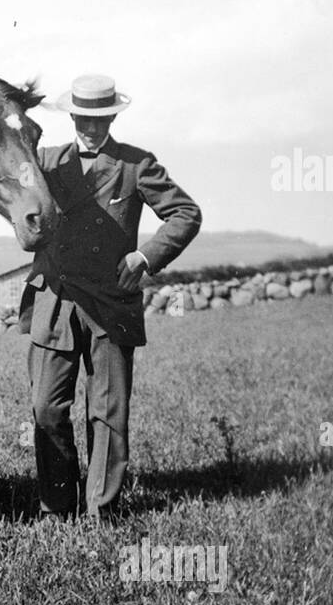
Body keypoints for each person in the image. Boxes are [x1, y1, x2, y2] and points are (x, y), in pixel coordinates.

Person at [19, 74, 201, 523]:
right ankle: (57, 508)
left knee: (108, 412)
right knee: (45, 408)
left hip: (111, 301)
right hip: (56, 299)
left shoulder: (137, 164)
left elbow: (186, 213)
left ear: (113, 117)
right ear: (73, 116)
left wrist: (145, 257)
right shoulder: (45, 162)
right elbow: (1, 178)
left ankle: (102, 511)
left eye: (101, 119)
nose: (91, 128)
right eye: (84, 118)